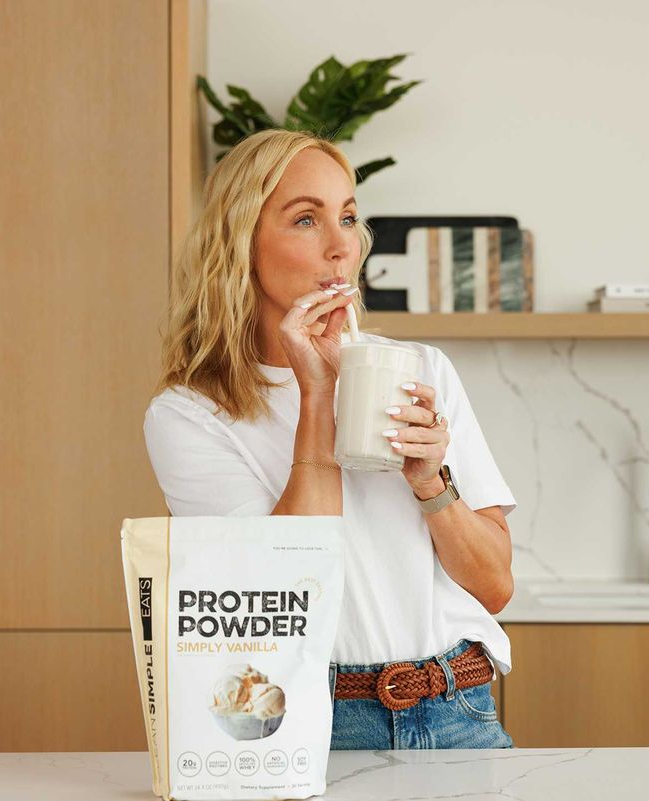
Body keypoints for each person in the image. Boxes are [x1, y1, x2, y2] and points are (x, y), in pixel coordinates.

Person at [145, 128, 517, 749]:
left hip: (460, 711)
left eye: (347, 217)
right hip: (318, 721)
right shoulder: (190, 415)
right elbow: (281, 591)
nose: (341, 246)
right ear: (242, 246)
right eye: (305, 220)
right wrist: (317, 397)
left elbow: (495, 586)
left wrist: (431, 483)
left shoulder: (419, 370)